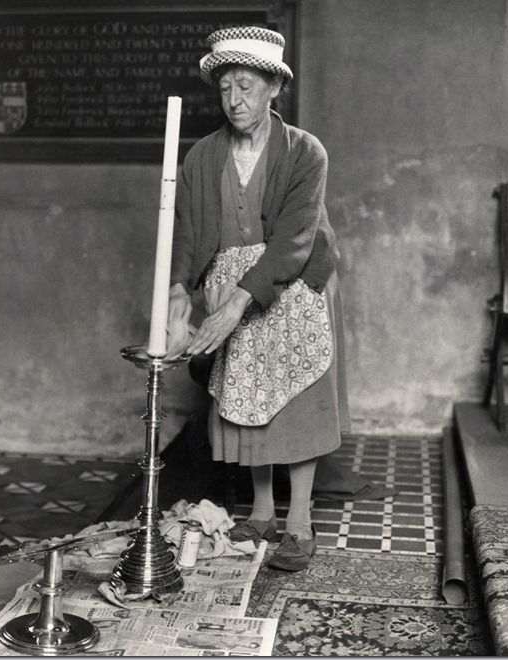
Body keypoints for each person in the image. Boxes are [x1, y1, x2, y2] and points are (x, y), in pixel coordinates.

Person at [167, 26, 349, 571]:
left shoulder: (304, 152)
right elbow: (186, 230)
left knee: (294, 400)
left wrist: (238, 302)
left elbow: (296, 238)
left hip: (293, 283)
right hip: (231, 287)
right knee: (247, 398)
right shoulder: (203, 156)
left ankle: (299, 521)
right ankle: (264, 512)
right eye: (225, 88)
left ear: (274, 88)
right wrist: (179, 292)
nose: (234, 100)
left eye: (246, 86)